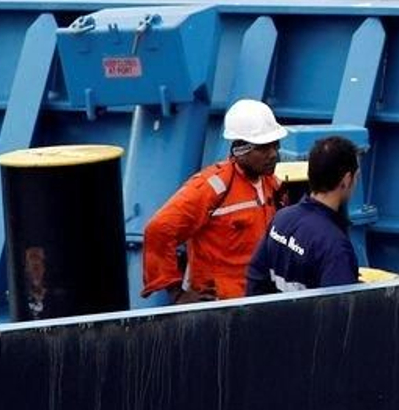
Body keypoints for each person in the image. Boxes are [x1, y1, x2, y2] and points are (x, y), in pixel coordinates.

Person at [141, 98, 286, 303]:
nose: (273, 155)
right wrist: (177, 294)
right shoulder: (211, 188)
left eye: (275, 145)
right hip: (220, 305)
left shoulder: (272, 184)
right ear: (239, 149)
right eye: (263, 148)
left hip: (258, 298)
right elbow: (159, 229)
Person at [245, 136, 361, 295]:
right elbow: (339, 306)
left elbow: (255, 279)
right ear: (347, 180)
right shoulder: (335, 247)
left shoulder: (281, 218)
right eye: (356, 177)